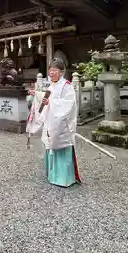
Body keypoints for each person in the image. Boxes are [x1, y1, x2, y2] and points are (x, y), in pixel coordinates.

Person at [27, 58, 81, 188]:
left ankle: (64, 178)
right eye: (50, 70)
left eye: (54, 70)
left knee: (60, 147)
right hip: (51, 122)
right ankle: (52, 175)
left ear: (61, 72)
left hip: (62, 124)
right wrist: (38, 94)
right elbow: (47, 97)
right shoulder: (52, 85)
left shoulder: (66, 86)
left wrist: (51, 103)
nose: (51, 72)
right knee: (50, 146)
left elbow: (69, 104)